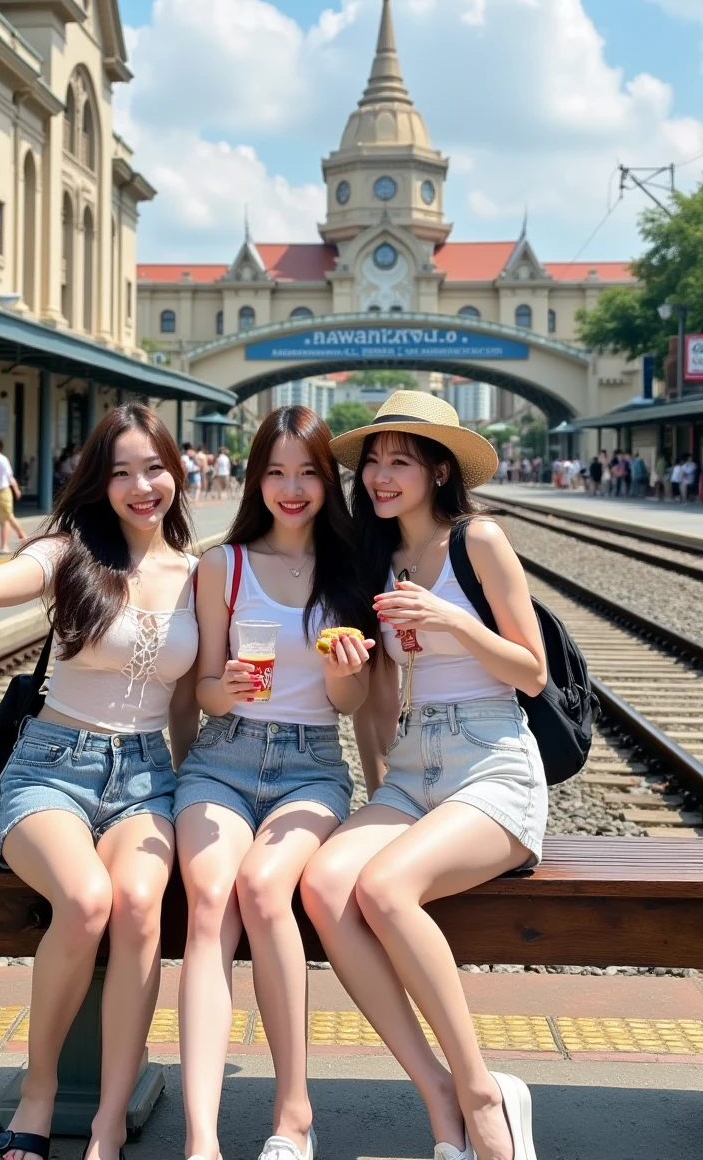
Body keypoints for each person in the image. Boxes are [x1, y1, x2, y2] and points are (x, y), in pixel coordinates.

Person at [0, 403, 200, 1160]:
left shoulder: (198, 573)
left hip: (147, 779)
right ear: (99, 482)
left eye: (153, 468)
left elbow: (184, 705)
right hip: (50, 770)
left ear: (175, 472)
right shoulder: (68, 552)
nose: (141, 486)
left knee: (141, 909)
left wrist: (190, 791)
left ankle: (111, 1117)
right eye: (120, 472)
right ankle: (41, 1088)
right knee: (86, 903)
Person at [301, 391, 547, 1160]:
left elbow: (533, 672)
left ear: (439, 470)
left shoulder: (480, 540)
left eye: (399, 460)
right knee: (324, 886)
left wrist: (455, 623)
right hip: (411, 770)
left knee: (381, 888)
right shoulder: (375, 559)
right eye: (372, 460)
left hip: (492, 762)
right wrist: (380, 792)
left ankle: (482, 1098)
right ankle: (438, 1091)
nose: (379, 475)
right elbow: (370, 705)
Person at [174, 405, 375, 1160]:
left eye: (309, 473)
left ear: (328, 481)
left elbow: (352, 706)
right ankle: (201, 1140)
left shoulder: (352, 570)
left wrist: (339, 674)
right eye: (276, 472)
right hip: (222, 760)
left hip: (310, 765)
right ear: (256, 477)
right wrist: (225, 685)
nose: (292, 489)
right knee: (208, 905)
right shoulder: (222, 566)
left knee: (263, 890)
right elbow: (201, 692)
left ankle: (292, 1115)